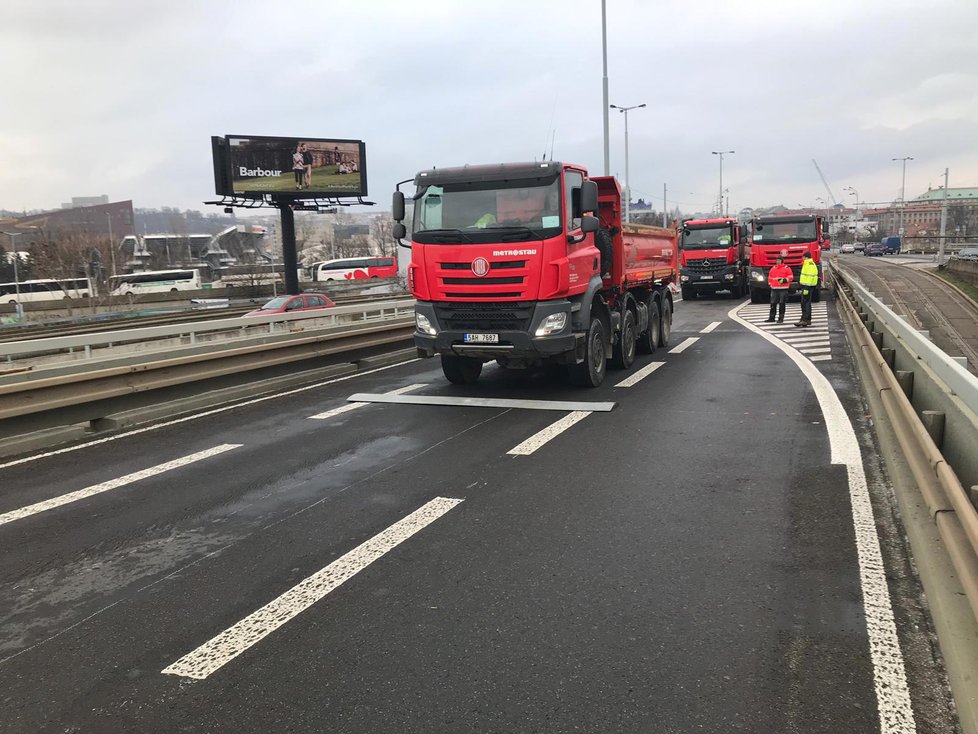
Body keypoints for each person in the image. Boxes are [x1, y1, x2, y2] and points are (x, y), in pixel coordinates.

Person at [766, 255, 793, 323]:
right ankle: (772, 317)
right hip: (774, 288)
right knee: (773, 304)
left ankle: (781, 318)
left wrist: (784, 280)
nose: (777, 262)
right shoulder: (773, 268)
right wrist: (770, 284)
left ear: (782, 261)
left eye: (779, 260)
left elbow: (790, 277)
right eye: (777, 260)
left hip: (783, 289)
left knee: (782, 304)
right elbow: (770, 277)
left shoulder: (787, 268)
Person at [796, 251, 819, 327]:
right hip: (807, 286)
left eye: (803, 257)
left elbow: (809, 276)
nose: (802, 258)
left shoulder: (809, 265)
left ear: (806, 257)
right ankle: (807, 319)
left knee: (805, 303)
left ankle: (804, 320)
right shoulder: (809, 264)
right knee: (807, 303)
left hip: (807, 286)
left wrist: (806, 287)